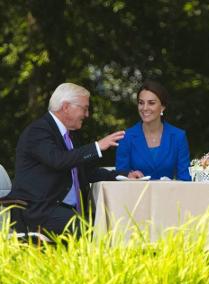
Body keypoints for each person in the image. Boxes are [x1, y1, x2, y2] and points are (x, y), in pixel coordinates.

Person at [4, 83, 142, 236]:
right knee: (94, 231)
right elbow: (58, 160)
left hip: (64, 210)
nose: (87, 114)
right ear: (65, 107)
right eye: (84, 108)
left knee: (115, 223)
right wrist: (97, 147)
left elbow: (86, 172)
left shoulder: (70, 135)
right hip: (39, 211)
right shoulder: (38, 131)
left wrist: (122, 175)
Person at [115, 80, 191, 181]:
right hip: (136, 196)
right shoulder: (126, 137)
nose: (145, 108)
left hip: (170, 196)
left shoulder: (178, 137)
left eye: (151, 103)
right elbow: (121, 177)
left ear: (162, 107)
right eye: (141, 103)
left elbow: (185, 179)